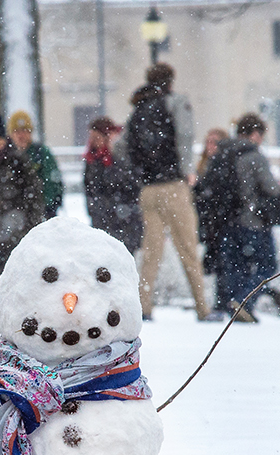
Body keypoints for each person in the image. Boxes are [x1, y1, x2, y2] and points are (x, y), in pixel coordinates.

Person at [122, 64, 211, 321]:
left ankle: (144, 306)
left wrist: (140, 173)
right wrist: (188, 169)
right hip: (173, 186)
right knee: (188, 249)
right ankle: (202, 306)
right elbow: (184, 136)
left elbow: (124, 147)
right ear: (171, 81)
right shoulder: (175, 103)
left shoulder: (137, 110)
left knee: (151, 253)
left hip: (148, 190)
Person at [206, 113, 280, 322]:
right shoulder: (254, 155)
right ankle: (243, 301)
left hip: (226, 222)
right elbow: (271, 188)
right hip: (254, 220)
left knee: (238, 266)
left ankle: (236, 305)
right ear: (255, 134)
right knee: (267, 265)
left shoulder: (222, 153)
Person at [0, 115, 45, 280]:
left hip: (18, 220)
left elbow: (34, 191)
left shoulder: (17, 160)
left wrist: (33, 223)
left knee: (16, 267)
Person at [82, 117, 142, 254]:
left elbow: (130, 184)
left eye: (97, 137)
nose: (93, 141)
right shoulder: (91, 159)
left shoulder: (121, 156)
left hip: (124, 218)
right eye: (92, 137)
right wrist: (94, 210)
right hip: (101, 219)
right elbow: (89, 188)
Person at [193, 127, 231, 314]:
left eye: (215, 142)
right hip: (208, 221)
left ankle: (222, 302)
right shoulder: (203, 165)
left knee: (222, 263)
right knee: (214, 262)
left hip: (221, 220)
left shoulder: (223, 163)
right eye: (208, 141)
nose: (210, 146)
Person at [7, 110, 63, 218]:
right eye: (17, 131)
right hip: (15, 217)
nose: (21, 135)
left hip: (40, 213)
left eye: (25, 131)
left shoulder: (41, 153)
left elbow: (53, 182)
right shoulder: (6, 157)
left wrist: (49, 207)